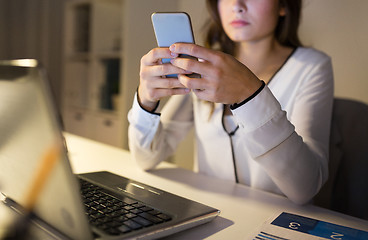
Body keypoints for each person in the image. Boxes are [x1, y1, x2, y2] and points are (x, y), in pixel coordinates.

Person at [128, 0, 334, 205]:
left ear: (283, 5)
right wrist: (145, 100)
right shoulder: (203, 66)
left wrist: (249, 93)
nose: (237, 5)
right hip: (210, 219)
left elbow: (305, 187)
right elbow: (146, 159)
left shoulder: (311, 66)